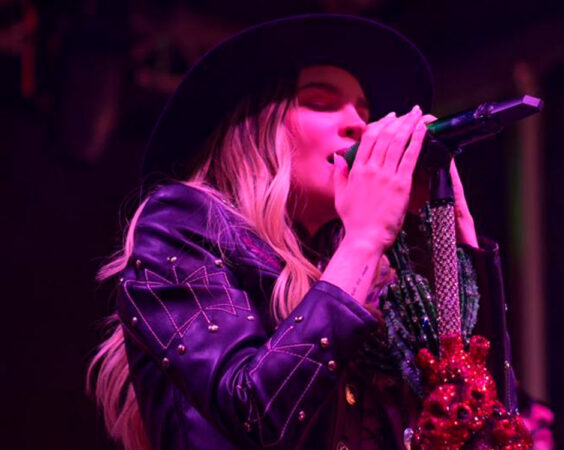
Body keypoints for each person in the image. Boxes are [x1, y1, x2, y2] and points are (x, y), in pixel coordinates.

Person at [87, 14, 531, 450]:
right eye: (320, 102)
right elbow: (253, 412)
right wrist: (364, 240)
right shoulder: (182, 223)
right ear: (254, 130)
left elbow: (482, 423)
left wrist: (453, 230)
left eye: (364, 111)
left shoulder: (378, 287)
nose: (358, 124)